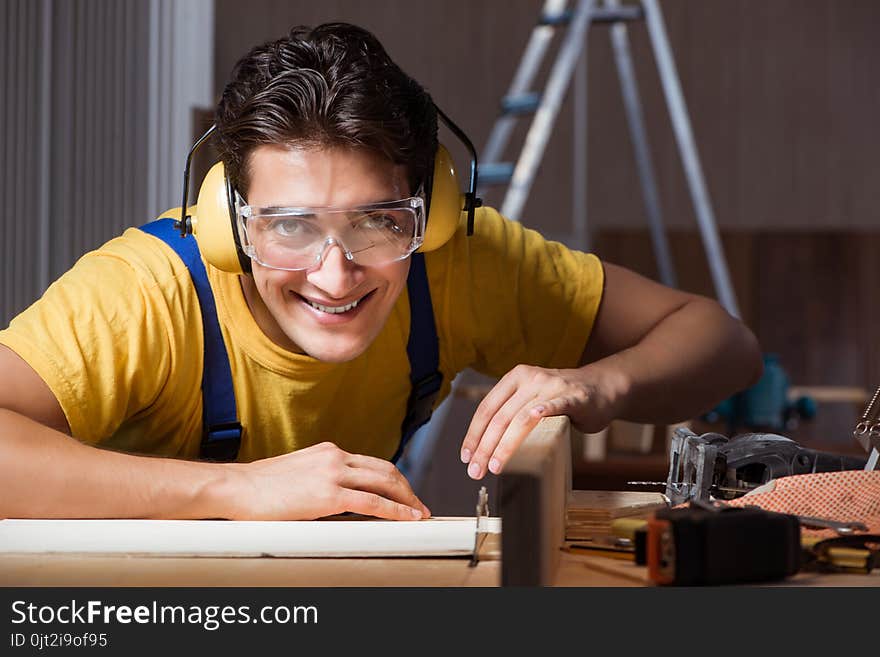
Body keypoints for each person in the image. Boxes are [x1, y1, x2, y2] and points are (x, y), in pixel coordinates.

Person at [0, 22, 762, 522]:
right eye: (291, 226)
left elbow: (725, 345)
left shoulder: (462, 263)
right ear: (232, 222)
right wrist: (234, 490)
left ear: (427, 215)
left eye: (376, 222)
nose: (335, 275)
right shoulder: (148, 294)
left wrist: (597, 386)